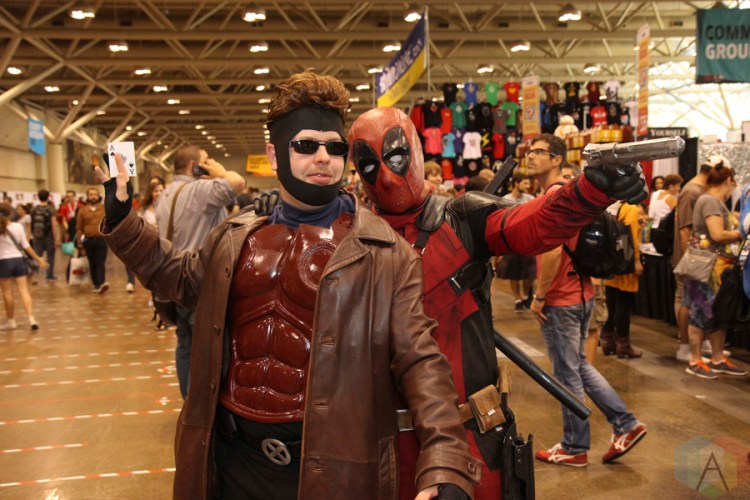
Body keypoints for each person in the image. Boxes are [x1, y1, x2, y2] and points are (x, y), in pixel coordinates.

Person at [98, 72, 481, 500]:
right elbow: (182, 279)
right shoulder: (235, 236)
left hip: (329, 469)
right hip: (232, 461)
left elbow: (420, 358)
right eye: (306, 146)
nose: (323, 158)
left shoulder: (385, 253)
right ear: (275, 155)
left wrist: (446, 458)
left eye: (335, 147)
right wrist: (123, 221)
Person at [347, 110, 647, 496]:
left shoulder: (463, 218)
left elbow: (532, 223)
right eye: (370, 165)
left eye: (396, 157)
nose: (387, 177)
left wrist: (588, 192)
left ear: (416, 152)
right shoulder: (352, 236)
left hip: (470, 436)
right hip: (383, 444)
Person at [527, 134, 647, 468]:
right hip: (580, 293)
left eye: (539, 152)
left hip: (562, 298)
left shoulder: (555, 196)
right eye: (530, 151)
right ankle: (626, 424)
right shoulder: (568, 192)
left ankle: (574, 446)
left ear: (557, 160)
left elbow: (553, 250)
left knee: (567, 374)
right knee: (579, 365)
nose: (531, 156)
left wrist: (539, 296)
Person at [154, 144, 245, 399]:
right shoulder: (200, 191)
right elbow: (237, 182)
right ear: (195, 166)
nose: (210, 164)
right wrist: (219, 171)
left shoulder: (165, 194)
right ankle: (205, 407)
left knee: (185, 343)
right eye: (206, 161)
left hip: (175, 279)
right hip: (202, 282)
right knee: (210, 349)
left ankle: (189, 401)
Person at [683, 161, 747, 379]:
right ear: (728, 180)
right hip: (706, 267)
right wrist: (742, 233)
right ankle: (695, 360)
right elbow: (717, 234)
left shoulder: (712, 200)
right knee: (700, 311)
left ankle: (718, 358)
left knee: (717, 312)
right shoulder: (710, 201)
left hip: (714, 266)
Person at [600, 202, 643, 358]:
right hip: (626, 261)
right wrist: (636, 260)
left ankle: (608, 340)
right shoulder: (631, 208)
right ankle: (623, 345)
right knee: (623, 304)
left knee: (612, 302)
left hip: (614, 260)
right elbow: (630, 237)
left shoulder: (613, 205)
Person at [0, 203, 47, 331]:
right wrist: (38, 259)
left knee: (7, 293)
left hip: (3, 262)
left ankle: (11, 321)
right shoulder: (18, 226)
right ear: (10, 213)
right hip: (19, 261)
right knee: (24, 291)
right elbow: (26, 245)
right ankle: (32, 319)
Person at [497, 172, 536, 313]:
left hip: (528, 240)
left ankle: (525, 294)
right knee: (513, 272)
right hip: (511, 241)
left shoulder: (530, 199)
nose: (528, 186)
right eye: (525, 183)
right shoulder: (505, 200)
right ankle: (517, 299)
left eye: (529, 183)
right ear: (516, 183)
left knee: (530, 273)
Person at [76, 187, 108, 293]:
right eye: (91, 195)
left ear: (98, 196)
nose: (93, 197)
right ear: (87, 196)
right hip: (88, 240)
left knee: (101, 262)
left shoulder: (104, 209)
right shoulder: (82, 210)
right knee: (92, 262)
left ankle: (102, 282)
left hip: (101, 239)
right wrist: (79, 242)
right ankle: (96, 283)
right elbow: (79, 227)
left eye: (95, 194)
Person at [30, 190, 61, 281]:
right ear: (48, 197)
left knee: (37, 256)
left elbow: (31, 223)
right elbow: (54, 224)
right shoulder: (51, 209)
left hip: (37, 235)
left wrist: (32, 234)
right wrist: (56, 239)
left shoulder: (33, 209)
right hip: (49, 236)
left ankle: (35, 275)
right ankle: (49, 275)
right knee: (50, 256)